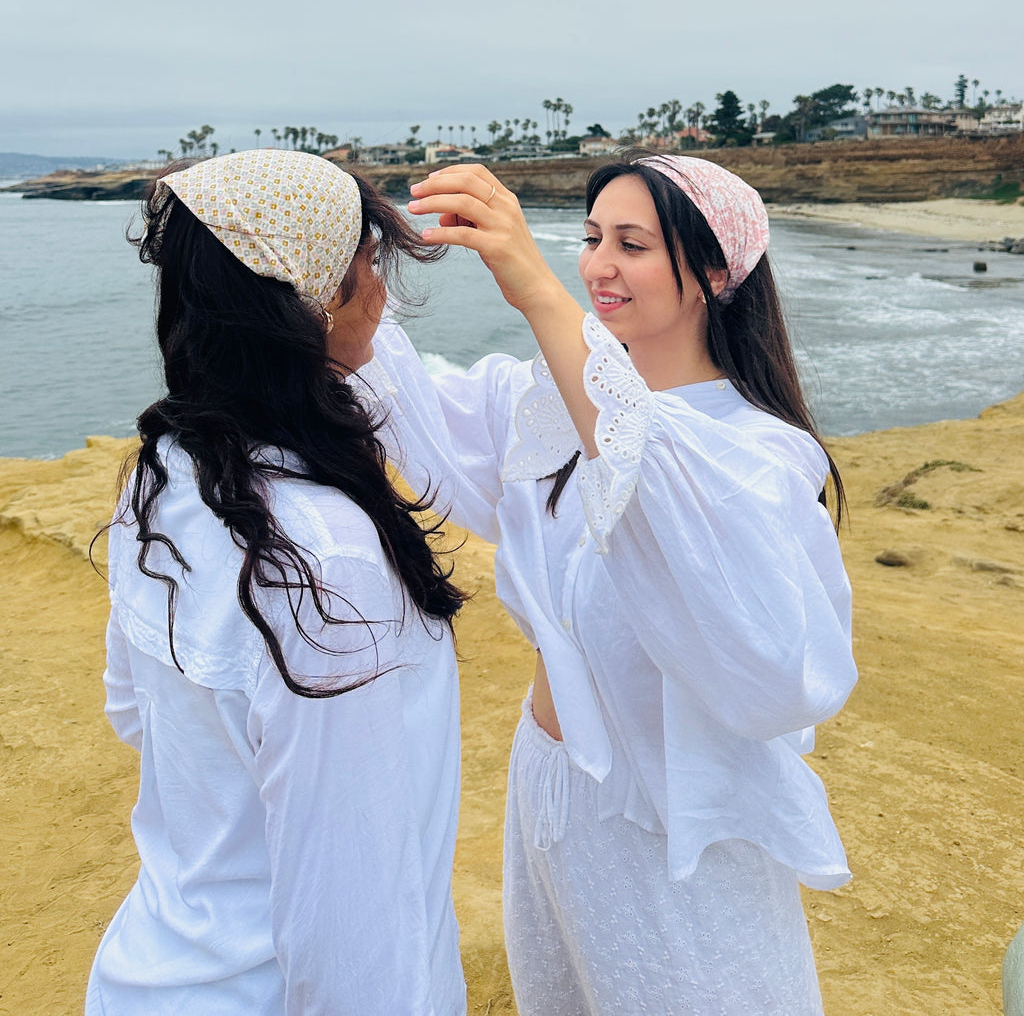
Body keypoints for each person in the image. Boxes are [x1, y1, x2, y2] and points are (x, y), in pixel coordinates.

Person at [353, 153, 857, 1016]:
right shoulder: (554, 403)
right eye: (590, 239)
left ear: (712, 272)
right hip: (551, 792)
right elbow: (416, 400)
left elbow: (654, 479)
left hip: (662, 827)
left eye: (632, 243)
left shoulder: (752, 455)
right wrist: (342, 266)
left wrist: (537, 289)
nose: (598, 267)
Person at [87, 149, 467, 1016]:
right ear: (319, 297)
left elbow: (133, 713)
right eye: (368, 259)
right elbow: (351, 917)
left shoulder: (167, 472)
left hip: (159, 969)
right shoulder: (323, 561)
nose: (381, 285)